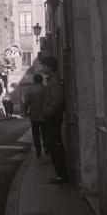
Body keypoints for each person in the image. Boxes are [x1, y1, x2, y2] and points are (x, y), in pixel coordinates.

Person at [41, 56, 69, 184]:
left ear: (50, 67)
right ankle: (60, 175)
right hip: (52, 117)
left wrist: (48, 112)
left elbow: (58, 100)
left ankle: (62, 176)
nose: (43, 68)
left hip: (53, 118)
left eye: (44, 66)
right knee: (53, 146)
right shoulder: (51, 80)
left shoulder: (54, 81)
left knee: (55, 146)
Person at [24, 74, 47, 157]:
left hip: (34, 115)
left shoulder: (30, 90)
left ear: (34, 80)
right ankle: (46, 147)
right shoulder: (45, 89)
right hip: (45, 114)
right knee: (45, 132)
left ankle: (38, 150)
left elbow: (26, 102)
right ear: (41, 80)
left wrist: (25, 112)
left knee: (35, 133)